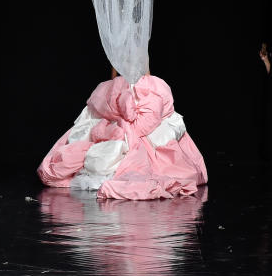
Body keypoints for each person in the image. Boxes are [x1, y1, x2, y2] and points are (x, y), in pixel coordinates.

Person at [38, 67, 208, 200]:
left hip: (133, 90)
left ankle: (120, 151)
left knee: (133, 131)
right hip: (132, 89)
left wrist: (119, 85)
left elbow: (126, 72)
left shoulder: (123, 47)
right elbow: (139, 70)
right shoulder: (132, 55)